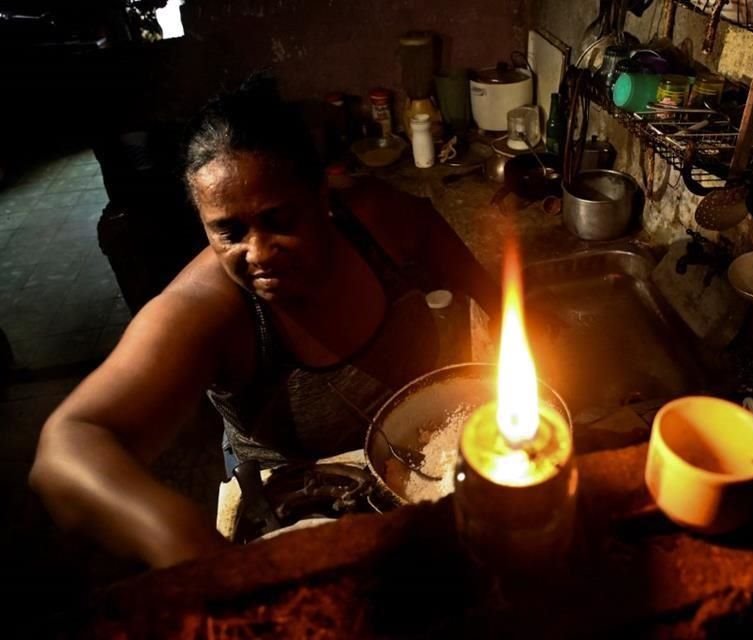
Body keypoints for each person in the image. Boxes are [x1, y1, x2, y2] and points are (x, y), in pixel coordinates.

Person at [29, 78, 501, 569]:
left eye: (279, 220)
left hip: (431, 459)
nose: (258, 254)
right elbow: (68, 444)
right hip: (304, 510)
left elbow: (436, 238)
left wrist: (517, 316)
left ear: (322, 197)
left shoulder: (372, 220)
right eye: (229, 232)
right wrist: (187, 543)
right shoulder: (207, 310)